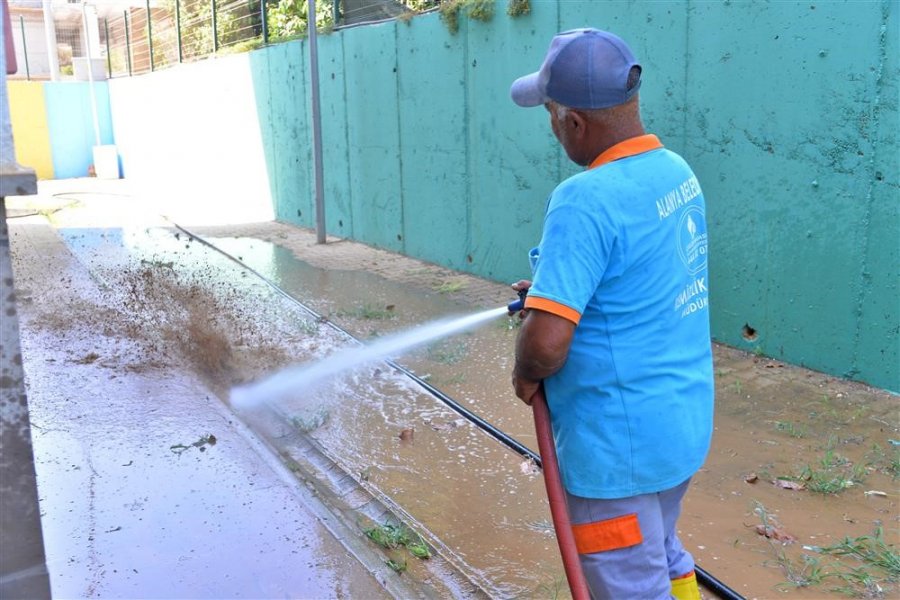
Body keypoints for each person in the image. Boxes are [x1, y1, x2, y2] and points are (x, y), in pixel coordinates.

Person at [508, 28, 714, 600]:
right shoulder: (676, 172)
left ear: (574, 122)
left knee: (629, 584)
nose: (552, 128)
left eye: (550, 115)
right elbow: (640, 277)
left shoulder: (583, 199)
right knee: (662, 549)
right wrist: (553, 293)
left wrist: (526, 368)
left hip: (615, 453)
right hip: (678, 429)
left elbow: (545, 345)